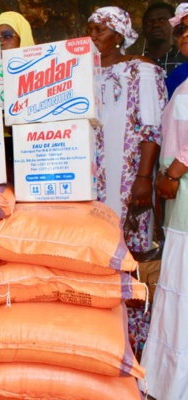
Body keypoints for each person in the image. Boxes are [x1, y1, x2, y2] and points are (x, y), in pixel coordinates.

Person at [86, 6, 167, 252]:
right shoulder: (83, 73)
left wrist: (143, 178)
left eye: (100, 30)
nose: (92, 36)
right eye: (88, 31)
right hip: (91, 180)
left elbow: (152, 128)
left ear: (119, 36)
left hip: (129, 178)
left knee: (128, 244)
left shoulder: (140, 70)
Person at [141, 6, 188, 398]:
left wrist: (173, 172)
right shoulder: (185, 83)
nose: (184, 36)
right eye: (183, 30)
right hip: (178, 195)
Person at [0, 11, 36, 183]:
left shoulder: (43, 76)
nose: (0, 42)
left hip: (33, 152)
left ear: (23, 38)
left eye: (7, 35)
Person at [141, 2, 187, 76]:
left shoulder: (185, 60)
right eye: (149, 22)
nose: (155, 24)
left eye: (162, 20)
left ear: (174, 25)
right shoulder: (133, 63)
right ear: (143, 29)